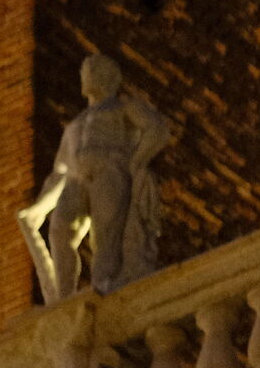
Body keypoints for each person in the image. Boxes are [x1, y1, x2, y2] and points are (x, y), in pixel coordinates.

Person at [17, 54, 172, 300]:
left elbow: (157, 129)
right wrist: (39, 208)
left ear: (108, 77)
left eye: (92, 70)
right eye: (85, 71)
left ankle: (104, 287)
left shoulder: (123, 107)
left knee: (105, 233)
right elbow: (59, 172)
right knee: (59, 229)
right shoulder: (75, 126)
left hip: (110, 173)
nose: (86, 75)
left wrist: (136, 161)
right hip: (76, 179)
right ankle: (64, 295)